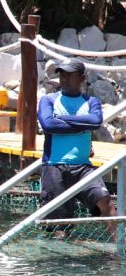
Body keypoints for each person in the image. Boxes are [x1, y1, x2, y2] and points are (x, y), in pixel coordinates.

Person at [38, 59, 116, 238]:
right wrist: (83, 123)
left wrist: (63, 119)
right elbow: (49, 125)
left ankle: (121, 247)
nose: (64, 78)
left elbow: (95, 122)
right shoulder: (48, 100)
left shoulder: (91, 102)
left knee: (105, 201)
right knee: (59, 227)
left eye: (69, 74)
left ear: (82, 78)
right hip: (54, 166)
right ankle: (59, 261)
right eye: (62, 74)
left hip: (83, 167)